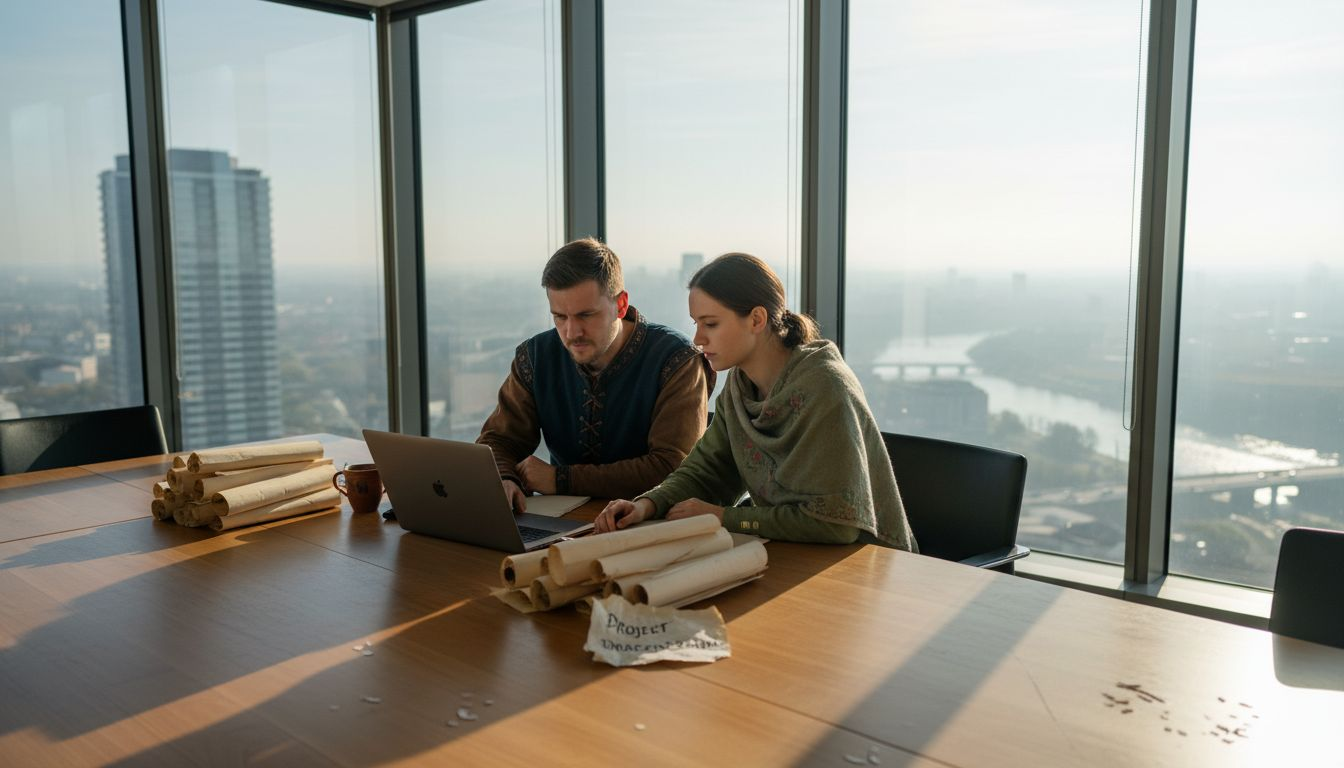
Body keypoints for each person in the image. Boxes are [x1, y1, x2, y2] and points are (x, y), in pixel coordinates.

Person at [594, 252, 916, 549]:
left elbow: (836, 525)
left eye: (711, 324)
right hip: (794, 554)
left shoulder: (825, 387)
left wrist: (724, 518)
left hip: (868, 565)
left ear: (757, 320)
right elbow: (707, 470)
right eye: (696, 324)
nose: (698, 339)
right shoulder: (740, 386)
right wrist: (646, 505)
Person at [476, 237, 714, 511]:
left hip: (652, 523)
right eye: (560, 317)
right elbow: (498, 440)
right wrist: (505, 478)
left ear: (621, 305)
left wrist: (560, 479)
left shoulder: (678, 361)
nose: (572, 333)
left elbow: (671, 467)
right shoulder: (535, 356)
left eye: (586, 315)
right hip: (562, 520)